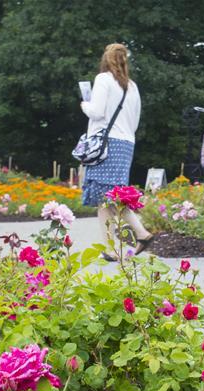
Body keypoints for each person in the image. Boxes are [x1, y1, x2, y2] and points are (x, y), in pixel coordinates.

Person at [80, 43, 152, 261]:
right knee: (106, 199)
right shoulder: (132, 86)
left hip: (107, 144)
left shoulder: (103, 79)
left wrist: (84, 104)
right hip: (126, 143)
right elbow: (135, 122)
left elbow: (96, 112)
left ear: (106, 59)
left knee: (111, 196)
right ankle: (111, 248)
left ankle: (141, 232)